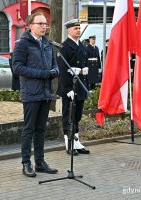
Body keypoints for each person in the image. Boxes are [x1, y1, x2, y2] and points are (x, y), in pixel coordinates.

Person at [13, 12, 59, 177]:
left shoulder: (47, 44)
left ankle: (40, 162)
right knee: (29, 129)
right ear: (30, 25)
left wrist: (54, 72)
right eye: (40, 23)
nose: (43, 27)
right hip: (31, 93)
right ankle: (26, 163)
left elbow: (55, 66)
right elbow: (17, 67)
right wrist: (42, 74)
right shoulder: (23, 44)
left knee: (40, 130)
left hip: (46, 93)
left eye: (45, 24)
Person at [56, 19, 90, 156]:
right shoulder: (64, 47)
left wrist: (84, 70)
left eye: (79, 28)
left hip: (80, 86)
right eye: (75, 28)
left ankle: (76, 142)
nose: (78, 30)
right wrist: (67, 89)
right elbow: (62, 71)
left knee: (77, 115)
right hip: (69, 87)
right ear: (69, 30)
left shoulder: (81, 45)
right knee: (68, 115)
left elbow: (84, 63)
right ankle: (69, 143)